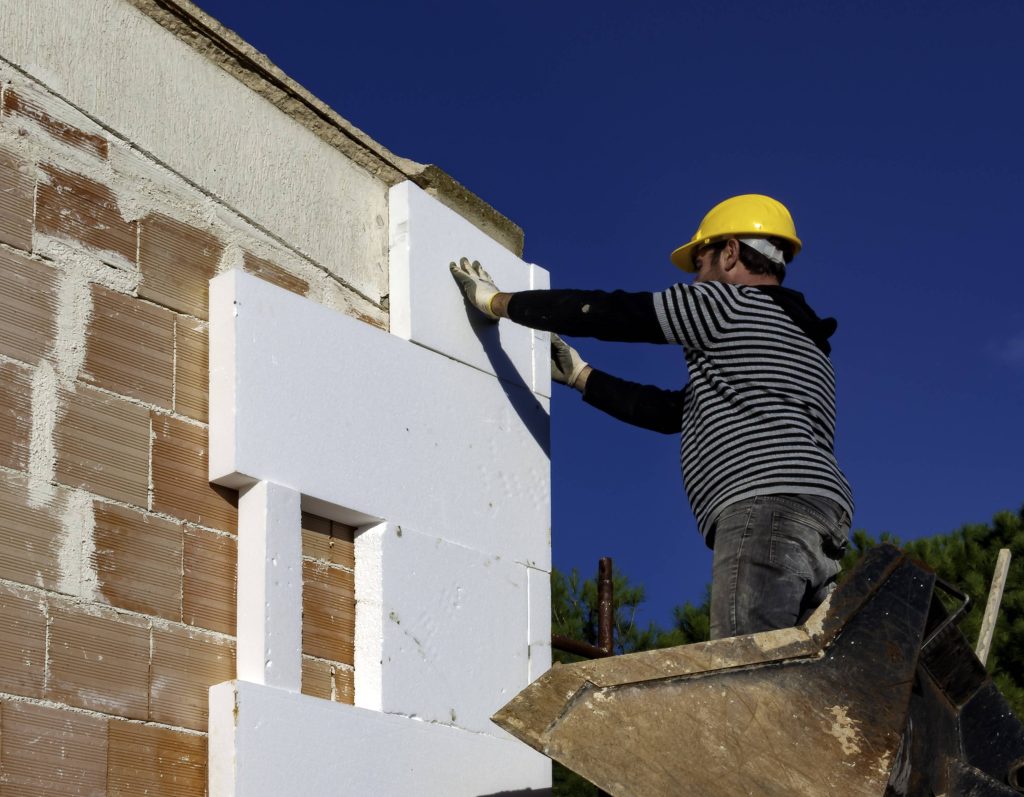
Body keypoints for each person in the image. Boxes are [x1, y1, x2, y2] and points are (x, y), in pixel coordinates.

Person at [451, 194, 853, 640]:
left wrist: (498, 302)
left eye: (700, 264)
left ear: (731, 252)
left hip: (764, 508)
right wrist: (581, 375)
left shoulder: (726, 304)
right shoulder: (806, 344)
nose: (697, 279)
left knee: (745, 670)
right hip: (821, 521)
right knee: (798, 680)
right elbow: (673, 412)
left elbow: (614, 314)